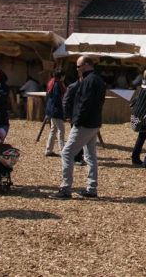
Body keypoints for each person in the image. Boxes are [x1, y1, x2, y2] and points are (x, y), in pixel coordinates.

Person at [50, 56, 106, 199]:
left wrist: (77, 121)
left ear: (86, 65)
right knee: (90, 156)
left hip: (84, 124)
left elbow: (84, 103)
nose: (77, 69)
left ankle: (65, 189)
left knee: (67, 153)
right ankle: (92, 189)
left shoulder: (88, 81)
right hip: (94, 123)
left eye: (78, 66)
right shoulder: (98, 79)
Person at [44, 69, 66, 157]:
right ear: (61, 76)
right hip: (56, 110)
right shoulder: (57, 84)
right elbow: (57, 98)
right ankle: (63, 150)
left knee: (53, 130)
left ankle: (48, 150)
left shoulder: (52, 82)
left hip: (51, 109)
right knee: (61, 130)